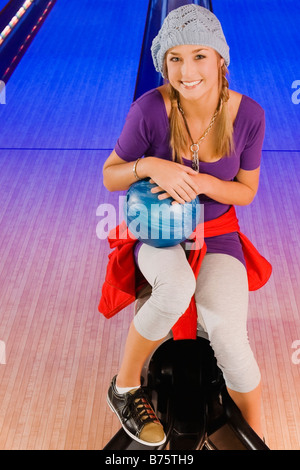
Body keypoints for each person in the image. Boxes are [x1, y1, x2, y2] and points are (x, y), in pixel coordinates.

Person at [100, 4, 271, 446]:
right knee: (174, 288)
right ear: (163, 63)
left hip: (217, 234)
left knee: (229, 334)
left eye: (199, 55)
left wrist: (201, 182)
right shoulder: (149, 110)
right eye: (174, 58)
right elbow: (110, 174)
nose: (187, 70)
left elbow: (246, 191)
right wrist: (150, 165)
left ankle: (251, 435)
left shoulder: (248, 115)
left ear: (220, 59)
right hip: (157, 233)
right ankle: (124, 387)